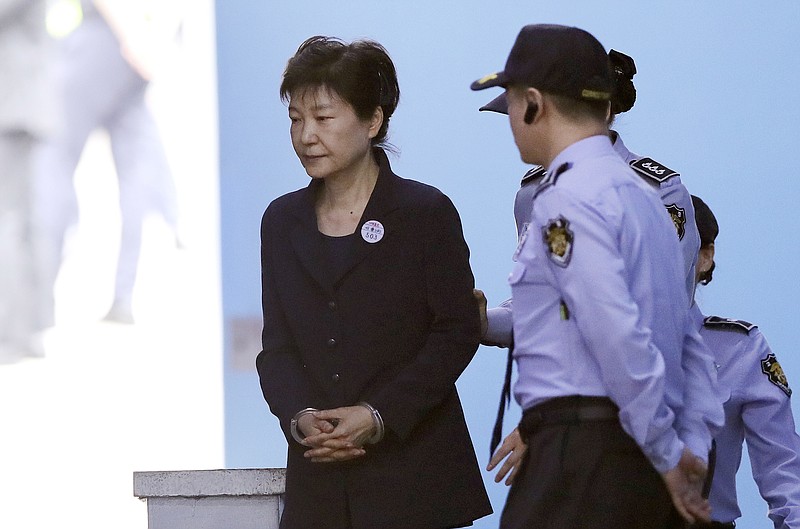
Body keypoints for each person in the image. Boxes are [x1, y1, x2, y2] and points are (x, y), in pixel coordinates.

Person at [470, 24, 722, 528]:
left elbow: (614, 333)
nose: (511, 122)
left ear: (535, 104)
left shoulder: (566, 199)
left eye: (513, 105)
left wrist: (667, 454)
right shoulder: (645, 200)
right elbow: (687, 338)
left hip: (581, 457)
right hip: (634, 457)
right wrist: (683, 448)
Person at [255, 36, 491, 529]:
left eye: (323, 117)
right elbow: (276, 348)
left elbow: (456, 332)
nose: (306, 136)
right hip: (319, 487)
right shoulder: (281, 221)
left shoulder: (425, 213)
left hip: (415, 480)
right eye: (295, 119)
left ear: (373, 120)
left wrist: (377, 415)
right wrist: (299, 418)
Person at [34, 0, 181, 325]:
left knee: (55, 162)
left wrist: (133, 35)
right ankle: (123, 297)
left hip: (108, 37)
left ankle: (37, 306)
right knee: (135, 174)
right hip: (134, 47)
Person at [690, 195, 800, 528]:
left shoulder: (740, 349)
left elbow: (783, 471)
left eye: (677, 244)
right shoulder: (588, 342)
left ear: (705, 257)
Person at [0, 0, 53, 362]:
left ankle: (15, 334)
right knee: (21, 219)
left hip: (14, 105)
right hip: (20, 101)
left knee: (10, 219)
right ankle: (28, 330)